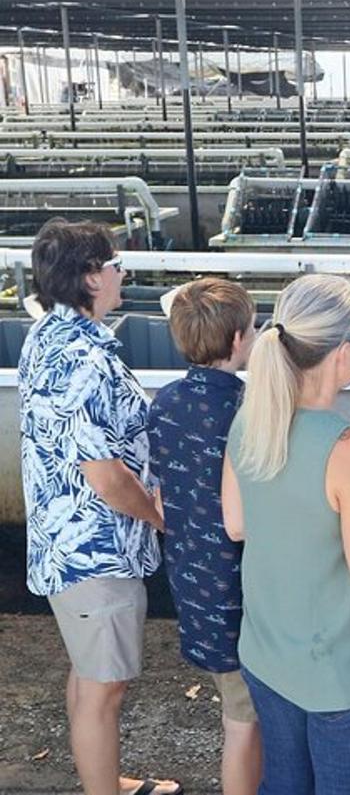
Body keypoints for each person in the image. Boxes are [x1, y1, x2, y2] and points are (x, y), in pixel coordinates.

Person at [221, 274, 350, 795]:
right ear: (343, 351)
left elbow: (236, 524)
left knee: (282, 783)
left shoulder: (250, 421)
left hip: (265, 656)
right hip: (343, 679)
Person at [18, 219, 180, 795]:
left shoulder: (53, 335)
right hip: (96, 549)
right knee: (104, 685)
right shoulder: (84, 360)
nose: (121, 272)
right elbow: (106, 477)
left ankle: (105, 777)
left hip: (71, 542)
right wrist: (161, 518)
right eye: (114, 264)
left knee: (92, 677)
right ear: (89, 277)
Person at [148, 278, 261, 795]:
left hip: (192, 583)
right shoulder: (248, 408)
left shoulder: (164, 403)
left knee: (236, 711)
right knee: (244, 724)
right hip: (240, 592)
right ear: (238, 339)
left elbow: (162, 490)